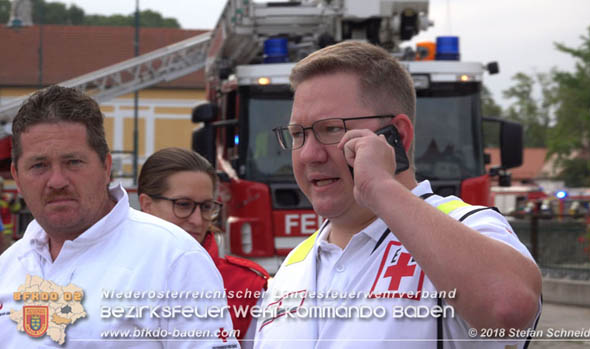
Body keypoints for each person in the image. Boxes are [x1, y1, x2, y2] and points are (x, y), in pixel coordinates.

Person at [255, 41, 542, 348]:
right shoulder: (293, 265)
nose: (309, 154)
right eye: (298, 134)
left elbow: (509, 309)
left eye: (330, 129)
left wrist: (379, 187)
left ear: (397, 137)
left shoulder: (466, 224)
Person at [0, 86, 239, 348]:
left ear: (106, 166)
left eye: (73, 162)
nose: (57, 181)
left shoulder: (174, 258)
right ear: (16, 176)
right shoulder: (9, 266)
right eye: (39, 165)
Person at [138, 147, 269, 344]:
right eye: (183, 205)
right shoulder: (107, 270)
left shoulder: (247, 286)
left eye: (206, 207)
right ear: (147, 205)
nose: (198, 220)